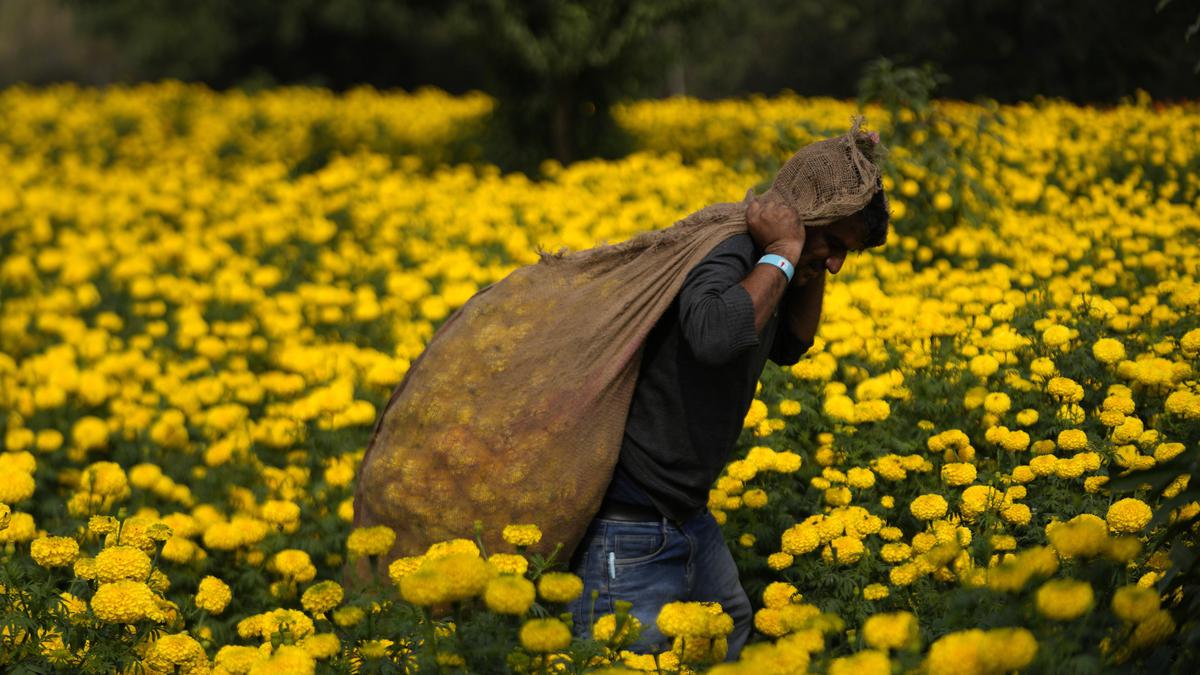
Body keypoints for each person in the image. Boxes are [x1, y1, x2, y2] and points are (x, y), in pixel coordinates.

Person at [565, 183, 891, 659]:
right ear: (807, 219)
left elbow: (792, 344)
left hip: (683, 512)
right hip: (630, 522)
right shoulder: (732, 250)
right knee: (633, 661)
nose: (838, 264)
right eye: (836, 245)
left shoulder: (779, 262)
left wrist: (809, 255)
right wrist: (785, 248)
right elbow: (715, 336)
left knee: (731, 631)